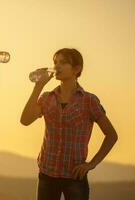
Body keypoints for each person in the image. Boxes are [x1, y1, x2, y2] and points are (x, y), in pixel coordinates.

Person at [20, 48, 118, 200]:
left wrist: (91, 164)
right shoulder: (47, 98)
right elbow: (25, 120)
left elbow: (111, 135)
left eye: (63, 63)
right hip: (47, 173)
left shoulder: (89, 100)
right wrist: (38, 87)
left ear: (77, 69)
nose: (57, 66)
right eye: (55, 62)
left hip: (74, 176)